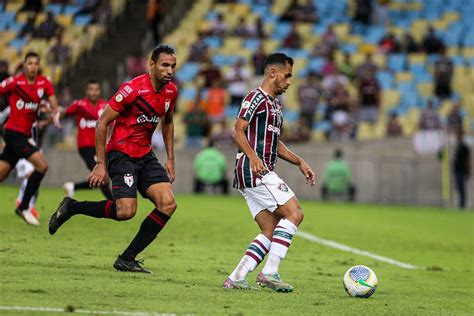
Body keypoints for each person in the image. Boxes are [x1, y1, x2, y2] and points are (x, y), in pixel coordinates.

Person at [48, 45, 179, 274]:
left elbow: (167, 122)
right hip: (121, 154)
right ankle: (73, 207)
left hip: (145, 155)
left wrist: (170, 158)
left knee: (168, 204)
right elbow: (102, 123)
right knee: (125, 212)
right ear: (151, 65)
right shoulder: (132, 90)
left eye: (173, 66)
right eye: (164, 65)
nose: (169, 71)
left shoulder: (170, 92)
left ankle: (127, 258)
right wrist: (101, 164)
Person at [223, 53, 316, 292]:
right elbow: (237, 130)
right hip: (255, 170)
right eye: (287, 75)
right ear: (272, 73)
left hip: (254, 171)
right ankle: (270, 272)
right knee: (295, 213)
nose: (289, 81)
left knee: (270, 229)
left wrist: (299, 161)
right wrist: (253, 157)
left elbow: (274, 143)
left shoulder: (275, 105)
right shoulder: (256, 97)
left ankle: (236, 277)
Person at [0, 52, 61, 225]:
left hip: (23, 135)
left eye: (36, 63)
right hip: (13, 134)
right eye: (30, 63)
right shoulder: (14, 82)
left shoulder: (45, 83)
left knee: (1, 175)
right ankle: (24, 206)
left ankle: (24, 205)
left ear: (39, 66)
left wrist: (55, 114)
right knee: (42, 166)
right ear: (24, 65)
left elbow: (54, 104)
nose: (33, 66)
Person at [60, 80, 113, 200]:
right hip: (86, 147)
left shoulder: (105, 105)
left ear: (100, 91)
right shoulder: (79, 104)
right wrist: (52, 116)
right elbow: (64, 114)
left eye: (96, 89)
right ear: (86, 91)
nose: (93, 92)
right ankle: (114, 204)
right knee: (102, 177)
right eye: (91, 89)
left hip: (101, 146)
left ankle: (73, 187)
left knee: (102, 178)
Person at [453, 128, 470, 209]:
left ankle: (462, 205)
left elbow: (468, 160)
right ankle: (461, 204)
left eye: (458, 134)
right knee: (459, 188)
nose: (456, 136)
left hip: (462, 171)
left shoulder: (464, 147)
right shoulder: (458, 146)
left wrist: (468, 171)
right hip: (457, 171)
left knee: (462, 189)